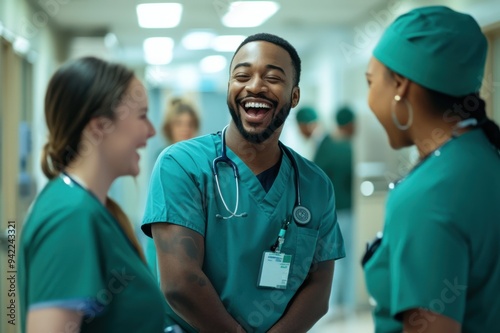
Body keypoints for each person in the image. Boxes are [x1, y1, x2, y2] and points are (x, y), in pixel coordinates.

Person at [142, 33, 345, 333]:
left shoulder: (315, 185)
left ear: (295, 96)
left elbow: (318, 289)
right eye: (242, 75)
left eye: (273, 77)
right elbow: (180, 282)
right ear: (229, 87)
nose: (255, 86)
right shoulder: (181, 165)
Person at [362, 6, 500, 333]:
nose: (369, 98)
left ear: (400, 85)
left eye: (371, 82)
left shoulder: (427, 195)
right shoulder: (485, 155)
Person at [18, 57, 167, 333]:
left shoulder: (92, 209)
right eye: (142, 115)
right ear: (100, 126)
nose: (151, 131)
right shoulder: (70, 215)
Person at [145, 97, 200, 278]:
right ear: (169, 128)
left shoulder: (200, 161)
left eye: (190, 124)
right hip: (164, 231)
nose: (185, 129)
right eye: (179, 123)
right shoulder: (162, 160)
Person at [313, 106, 356, 319]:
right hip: (346, 210)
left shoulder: (326, 144)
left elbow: (315, 177)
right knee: (345, 260)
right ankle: (346, 304)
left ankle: (331, 305)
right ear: (349, 124)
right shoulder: (347, 148)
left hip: (329, 212)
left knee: (331, 259)